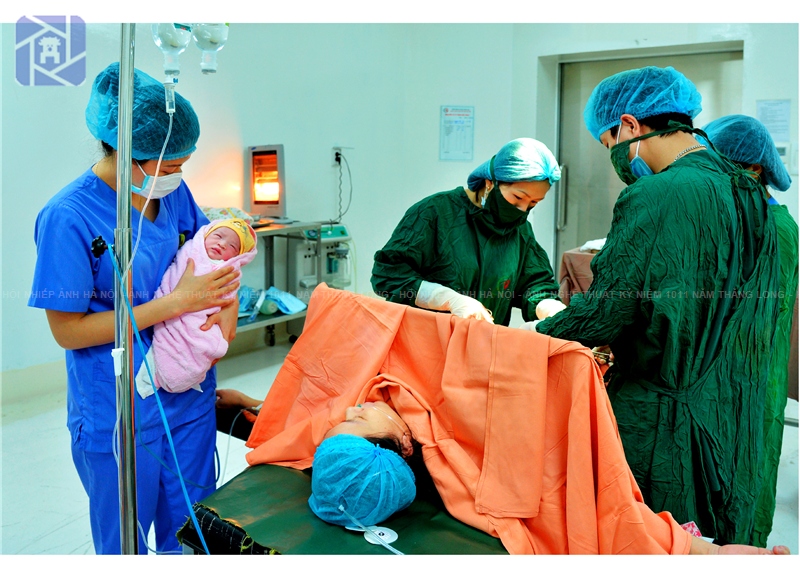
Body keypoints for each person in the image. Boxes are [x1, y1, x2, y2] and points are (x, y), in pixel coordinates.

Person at [243, 285, 789, 555]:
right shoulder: (428, 446)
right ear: (401, 443)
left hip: (479, 335)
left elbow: (306, 417)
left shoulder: (364, 424)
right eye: (359, 419)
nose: (352, 406)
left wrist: (542, 301)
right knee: (654, 538)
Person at [528, 66, 781, 545]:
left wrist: (530, 337)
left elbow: (607, 312)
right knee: (703, 541)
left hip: (658, 419)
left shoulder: (656, 193)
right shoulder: (745, 189)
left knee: (648, 537)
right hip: (719, 402)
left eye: (609, 146)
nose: (616, 159)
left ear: (628, 126)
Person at [27, 62, 240, 554]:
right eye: (169, 167)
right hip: (117, 404)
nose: (178, 177)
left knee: (192, 531)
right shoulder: (70, 216)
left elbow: (209, 258)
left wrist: (219, 322)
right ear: (127, 153)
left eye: (183, 167)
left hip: (187, 395)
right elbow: (69, 332)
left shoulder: (173, 193)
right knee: (125, 539)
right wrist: (173, 305)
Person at [701, 114, 799, 547]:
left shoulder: (775, 226)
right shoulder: (741, 214)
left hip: (749, 370)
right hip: (735, 370)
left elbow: (753, 317)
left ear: (754, 169)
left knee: (746, 463)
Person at [371, 137, 565, 327]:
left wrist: (547, 306)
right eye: (517, 198)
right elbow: (389, 275)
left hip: (481, 345)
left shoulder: (520, 230)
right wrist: (446, 299)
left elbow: (534, 282)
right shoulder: (434, 213)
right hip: (426, 344)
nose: (522, 210)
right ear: (490, 183)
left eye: (533, 203)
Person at [136, 218, 257, 399]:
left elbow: (229, 290)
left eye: (232, 246)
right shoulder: (192, 252)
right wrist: (178, 301)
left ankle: (184, 368)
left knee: (203, 341)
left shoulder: (228, 270)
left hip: (201, 325)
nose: (222, 244)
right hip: (144, 335)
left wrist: (230, 305)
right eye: (218, 236)